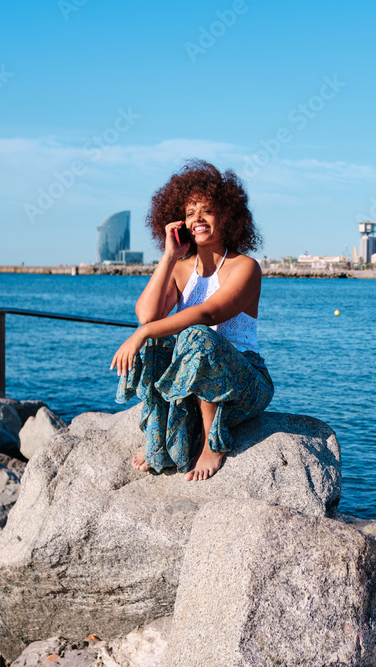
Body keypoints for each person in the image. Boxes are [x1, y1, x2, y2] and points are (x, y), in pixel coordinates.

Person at [110, 160, 273, 481]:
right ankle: (158, 437)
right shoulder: (183, 268)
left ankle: (214, 443)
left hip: (244, 383)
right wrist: (170, 257)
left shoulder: (245, 267)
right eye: (190, 212)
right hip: (194, 385)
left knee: (195, 335)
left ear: (228, 216)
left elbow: (209, 314)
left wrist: (140, 334)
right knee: (158, 340)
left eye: (207, 210)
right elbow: (147, 315)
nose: (197, 219)